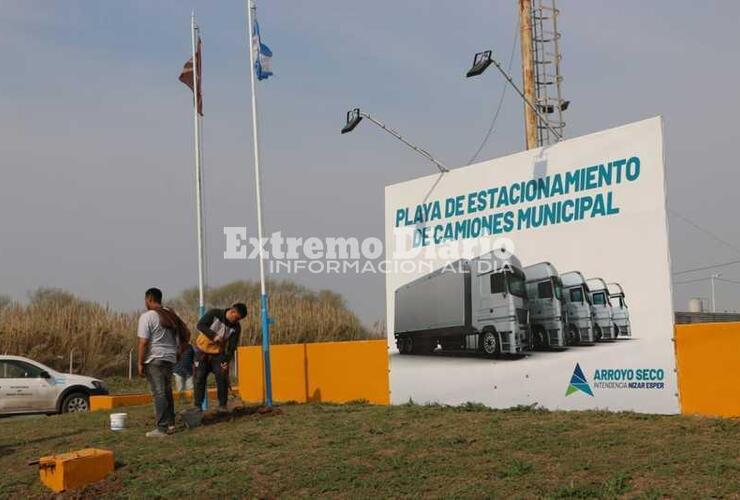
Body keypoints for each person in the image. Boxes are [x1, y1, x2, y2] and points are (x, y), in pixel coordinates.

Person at [137, 287, 190, 437]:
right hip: (170, 358)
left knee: (159, 393)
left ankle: (161, 428)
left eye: (145, 300)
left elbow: (143, 342)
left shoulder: (147, 316)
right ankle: (171, 424)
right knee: (166, 392)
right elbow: (186, 333)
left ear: (149, 299)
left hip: (155, 359)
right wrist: (178, 352)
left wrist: (140, 363)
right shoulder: (170, 314)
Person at [193, 303, 247, 412]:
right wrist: (214, 336)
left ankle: (222, 405)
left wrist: (227, 360)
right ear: (232, 312)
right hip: (202, 352)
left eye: (239, 319)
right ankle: (197, 406)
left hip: (218, 355)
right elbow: (200, 325)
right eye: (236, 318)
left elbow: (232, 346)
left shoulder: (236, 327)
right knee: (199, 379)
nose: (237, 321)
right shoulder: (215, 314)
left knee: (222, 377)